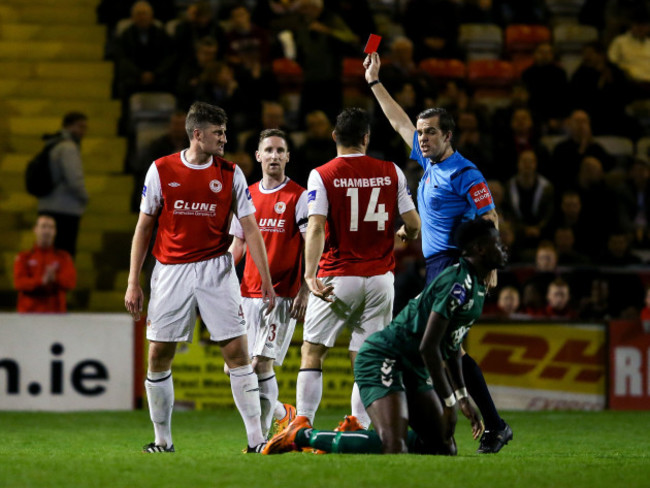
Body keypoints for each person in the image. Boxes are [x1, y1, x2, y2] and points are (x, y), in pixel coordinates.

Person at [364, 51, 511, 454]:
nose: (422, 137)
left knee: (443, 350)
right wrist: (375, 82)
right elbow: (398, 121)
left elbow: (490, 214)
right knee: (447, 352)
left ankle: (466, 427)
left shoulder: (465, 172)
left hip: (455, 266)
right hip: (437, 265)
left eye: (431, 132)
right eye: (422, 132)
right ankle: (471, 426)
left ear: (449, 136)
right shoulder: (431, 166)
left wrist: (490, 267)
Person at [262, 218, 508, 456]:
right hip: (385, 357)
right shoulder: (456, 282)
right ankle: (300, 436)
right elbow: (430, 346)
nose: (503, 247)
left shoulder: (475, 285)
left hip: (412, 365)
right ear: (480, 249)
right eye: (497, 243)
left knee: (443, 446)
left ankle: (357, 436)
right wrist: (450, 400)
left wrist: (463, 396)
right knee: (393, 444)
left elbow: (452, 345)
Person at [124, 101, 276, 454]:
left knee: (237, 352)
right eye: (218, 133)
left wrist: (264, 277)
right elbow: (144, 227)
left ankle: (257, 440)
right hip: (170, 270)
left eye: (224, 132)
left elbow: (250, 228)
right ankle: (163, 440)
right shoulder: (161, 170)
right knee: (159, 355)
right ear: (197, 135)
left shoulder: (230, 173)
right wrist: (134, 280)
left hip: (216, 269)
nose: (224, 139)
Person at [292, 107, 421, 430]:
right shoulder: (391, 170)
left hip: (339, 275)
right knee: (364, 356)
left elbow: (317, 227)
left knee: (313, 351)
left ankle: (303, 422)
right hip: (380, 280)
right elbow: (413, 224)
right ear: (366, 138)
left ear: (335, 136)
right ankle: (360, 424)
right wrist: (406, 233)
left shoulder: (321, 175)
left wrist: (310, 275)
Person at [228, 129, 308, 438]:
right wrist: (214, 278)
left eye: (280, 150)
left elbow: (311, 246)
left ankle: (260, 438)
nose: (274, 155)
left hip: (282, 295)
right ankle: (282, 413)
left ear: (288, 157)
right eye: (269, 150)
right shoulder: (246, 195)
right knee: (234, 367)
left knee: (260, 363)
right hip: (247, 293)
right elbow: (237, 245)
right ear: (258, 156)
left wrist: (304, 289)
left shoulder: (298, 197)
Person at [37, 111, 89, 258]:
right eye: (80, 126)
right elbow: (74, 178)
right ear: (69, 126)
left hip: (47, 204)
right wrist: (84, 197)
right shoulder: (68, 147)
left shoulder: (54, 144)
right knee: (63, 255)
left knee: (48, 253)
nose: (83, 132)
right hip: (65, 209)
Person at [13, 215, 77, 313]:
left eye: (51, 227)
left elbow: (71, 282)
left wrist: (55, 278)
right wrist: (41, 281)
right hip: (28, 313)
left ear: (55, 231)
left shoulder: (63, 257)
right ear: (35, 229)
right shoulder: (24, 257)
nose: (47, 231)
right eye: (43, 226)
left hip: (56, 314)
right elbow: (19, 283)